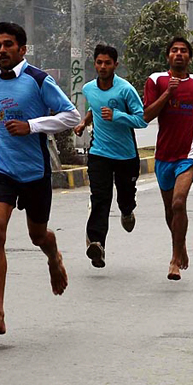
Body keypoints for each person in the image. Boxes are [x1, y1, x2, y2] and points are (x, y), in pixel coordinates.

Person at [0, 22, 80, 336]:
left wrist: (31, 126)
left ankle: (53, 254)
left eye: (8, 44)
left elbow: (71, 115)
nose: (2, 50)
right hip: (2, 168)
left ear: (22, 48)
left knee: (37, 236)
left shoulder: (38, 79)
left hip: (34, 171)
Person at [143, 37, 193, 281]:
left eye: (184, 51)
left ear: (190, 57)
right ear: (168, 56)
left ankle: (174, 258)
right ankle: (180, 244)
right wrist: (167, 93)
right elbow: (146, 115)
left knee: (178, 203)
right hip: (164, 154)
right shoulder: (156, 80)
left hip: (188, 152)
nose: (179, 54)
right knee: (168, 210)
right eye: (174, 50)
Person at [73, 44, 147, 268]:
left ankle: (127, 211)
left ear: (116, 64)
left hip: (125, 156)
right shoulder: (88, 89)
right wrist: (84, 122)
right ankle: (97, 244)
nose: (103, 67)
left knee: (125, 196)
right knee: (100, 199)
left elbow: (141, 119)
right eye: (99, 62)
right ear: (94, 64)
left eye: (107, 63)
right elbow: (94, 108)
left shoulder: (125, 90)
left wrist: (117, 116)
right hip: (99, 154)